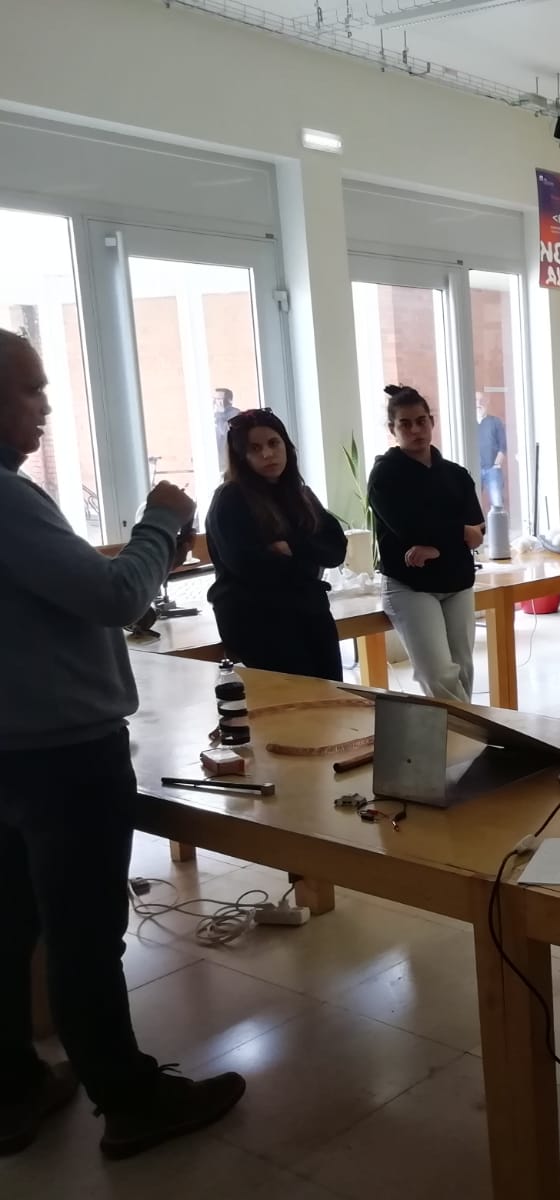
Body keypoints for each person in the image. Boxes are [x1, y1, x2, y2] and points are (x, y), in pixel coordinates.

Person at [0, 330, 245, 1159]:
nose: (46, 406)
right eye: (30, 389)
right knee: (81, 934)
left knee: (10, 924)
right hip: (60, 753)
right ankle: (130, 1099)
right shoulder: (8, 498)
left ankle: (12, 1087)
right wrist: (162, 522)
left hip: (11, 749)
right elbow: (112, 597)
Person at [205, 409, 348, 680]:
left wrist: (291, 547)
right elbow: (248, 566)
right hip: (256, 614)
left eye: (274, 443)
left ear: (286, 446)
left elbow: (335, 550)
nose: (268, 454)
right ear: (242, 456)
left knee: (333, 692)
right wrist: (306, 557)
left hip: (308, 606)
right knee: (298, 696)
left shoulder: (300, 494)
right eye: (255, 448)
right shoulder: (230, 498)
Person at [367, 384, 485, 703]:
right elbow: (409, 528)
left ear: (431, 421)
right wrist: (456, 536)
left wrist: (438, 546)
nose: (416, 430)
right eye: (405, 424)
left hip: (457, 581)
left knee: (463, 669)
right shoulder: (385, 475)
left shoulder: (456, 474)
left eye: (421, 421)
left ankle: (460, 732)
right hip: (410, 585)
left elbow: (477, 530)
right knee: (438, 674)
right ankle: (470, 729)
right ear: (393, 429)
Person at [476, 392, 507, 512]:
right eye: (476, 400)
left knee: (497, 504)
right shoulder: (468, 423)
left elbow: (503, 445)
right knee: (471, 505)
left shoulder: (495, 422)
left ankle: (498, 525)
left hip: (492, 470)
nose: (478, 403)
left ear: (487, 402)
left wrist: (496, 465)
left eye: (481, 400)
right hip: (473, 470)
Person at [212, 386, 241, 464]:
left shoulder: (235, 414)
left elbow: (225, 432)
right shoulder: (214, 415)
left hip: (228, 458)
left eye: (218, 399)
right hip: (216, 456)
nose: (215, 402)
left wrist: (219, 414)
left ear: (229, 400)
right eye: (214, 399)